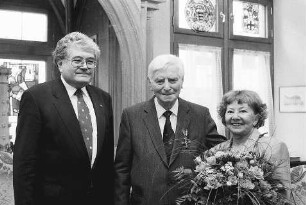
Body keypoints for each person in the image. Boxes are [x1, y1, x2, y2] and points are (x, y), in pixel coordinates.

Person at [13, 32, 114, 205]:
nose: (85, 66)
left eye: (90, 61)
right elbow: (24, 164)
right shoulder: (37, 98)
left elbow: (106, 161)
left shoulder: (103, 99)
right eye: (77, 60)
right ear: (60, 64)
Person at [114, 54, 226, 205]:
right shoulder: (132, 115)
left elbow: (221, 156)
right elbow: (122, 169)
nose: (167, 87)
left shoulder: (200, 114)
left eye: (173, 80)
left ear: (182, 81)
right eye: (160, 81)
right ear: (150, 83)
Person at [209, 89, 291, 199]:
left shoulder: (274, 146)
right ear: (224, 118)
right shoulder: (216, 151)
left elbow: (282, 195)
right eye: (230, 111)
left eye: (243, 111)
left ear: (256, 119)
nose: (235, 117)